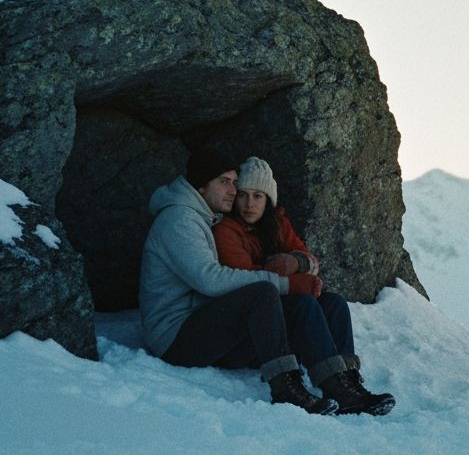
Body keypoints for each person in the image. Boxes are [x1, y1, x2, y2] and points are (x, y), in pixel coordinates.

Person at [139, 146, 337, 416]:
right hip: (174, 337)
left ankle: (340, 384)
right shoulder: (179, 220)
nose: (233, 191)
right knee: (262, 293)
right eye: (225, 182)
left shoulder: (201, 216)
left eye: (235, 183)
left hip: (202, 323)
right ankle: (286, 388)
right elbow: (210, 280)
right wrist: (286, 283)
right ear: (201, 185)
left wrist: (296, 266)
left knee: (321, 304)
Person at [213, 156, 395, 417]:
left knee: (333, 303)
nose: (249, 204)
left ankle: (348, 380)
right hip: (254, 329)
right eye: (243, 195)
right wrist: (301, 281)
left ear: (269, 200)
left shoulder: (276, 225)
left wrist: (294, 260)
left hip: (276, 315)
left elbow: (311, 260)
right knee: (304, 303)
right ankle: (335, 387)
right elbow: (247, 280)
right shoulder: (227, 231)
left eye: (258, 196)